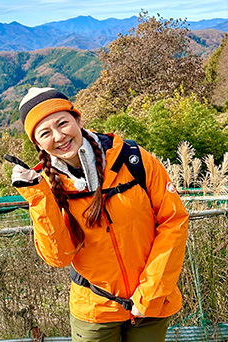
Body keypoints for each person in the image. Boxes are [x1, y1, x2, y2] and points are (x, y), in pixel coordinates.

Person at [11, 87, 189, 342]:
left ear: (78, 120)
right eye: (45, 133)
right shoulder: (46, 185)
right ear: (37, 143)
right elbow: (60, 257)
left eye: (63, 123)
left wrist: (150, 293)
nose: (59, 136)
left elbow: (174, 221)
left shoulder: (133, 159)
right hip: (95, 309)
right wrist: (37, 197)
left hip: (152, 301)